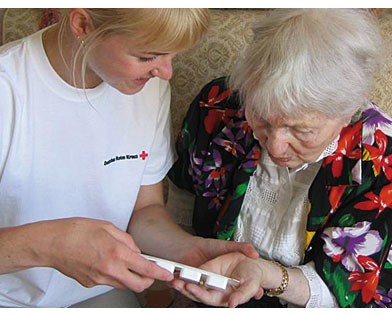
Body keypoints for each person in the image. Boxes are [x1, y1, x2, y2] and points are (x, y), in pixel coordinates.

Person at [0, 8, 259, 308]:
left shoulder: (148, 88)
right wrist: (50, 245)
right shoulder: (1, 91)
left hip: (96, 292)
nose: (166, 72)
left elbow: (143, 211)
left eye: (171, 55)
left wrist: (187, 252)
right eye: (147, 56)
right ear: (82, 25)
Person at [167, 8, 392, 308]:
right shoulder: (219, 107)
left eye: (302, 130)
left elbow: (350, 290)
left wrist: (267, 275)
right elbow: (183, 204)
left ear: (347, 112)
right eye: (260, 117)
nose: (274, 146)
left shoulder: (378, 157)